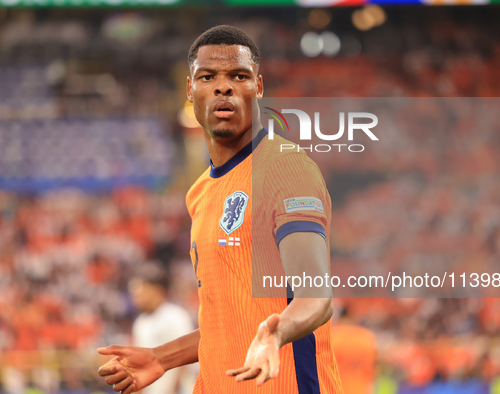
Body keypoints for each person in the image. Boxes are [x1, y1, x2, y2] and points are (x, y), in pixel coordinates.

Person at [97, 25, 343, 394]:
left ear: (258, 87)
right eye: (208, 76)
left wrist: (276, 334)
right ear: (190, 90)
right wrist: (161, 358)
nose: (223, 86)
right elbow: (226, 319)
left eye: (238, 76)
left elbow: (315, 295)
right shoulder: (200, 192)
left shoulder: (287, 168)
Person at [128, 263, 195, 394]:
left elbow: (187, 357)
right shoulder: (140, 324)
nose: (136, 295)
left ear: (156, 290)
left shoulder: (176, 316)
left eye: (140, 289)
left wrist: (173, 389)